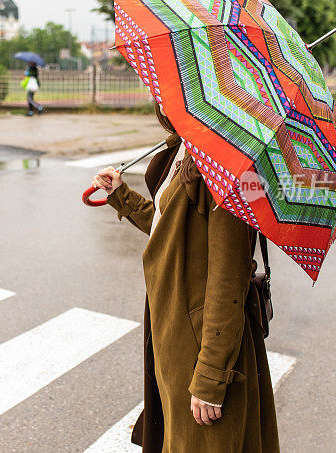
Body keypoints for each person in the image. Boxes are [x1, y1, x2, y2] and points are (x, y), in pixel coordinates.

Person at [91, 102, 279, 452]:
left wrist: (210, 376)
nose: (160, 96)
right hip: (174, 333)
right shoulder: (185, 147)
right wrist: (122, 195)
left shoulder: (227, 166)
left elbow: (229, 279)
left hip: (202, 344)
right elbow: (172, 230)